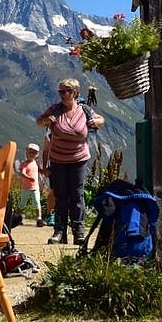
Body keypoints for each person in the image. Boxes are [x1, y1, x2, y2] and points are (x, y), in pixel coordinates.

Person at [37, 78, 105, 245]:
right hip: (58, 159)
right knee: (60, 196)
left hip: (78, 159)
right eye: (60, 91)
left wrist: (96, 122)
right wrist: (47, 120)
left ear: (75, 93)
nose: (62, 94)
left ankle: (78, 231)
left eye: (65, 91)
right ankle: (59, 231)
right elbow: (39, 121)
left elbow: (101, 119)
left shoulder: (85, 110)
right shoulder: (55, 110)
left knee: (77, 195)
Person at [17, 142, 46, 227]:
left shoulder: (35, 163)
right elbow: (22, 173)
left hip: (35, 187)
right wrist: (29, 178)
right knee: (22, 203)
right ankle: (17, 218)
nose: (31, 154)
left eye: (34, 153)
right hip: (25, 188)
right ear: (26, 153)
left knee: (37, 203)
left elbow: (38, 170)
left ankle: (39, 219)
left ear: (37, 154)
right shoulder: (24, 164)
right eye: (30, 152)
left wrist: (43, 171)